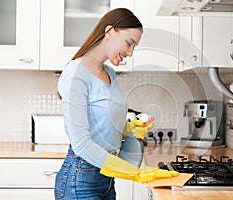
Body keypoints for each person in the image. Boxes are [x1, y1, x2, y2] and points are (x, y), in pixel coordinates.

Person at [54, 8, 178, 200]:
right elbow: (81, 143)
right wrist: (133, 173)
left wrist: (130, 130)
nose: (130, 53)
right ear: (110, 31)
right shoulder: (75, 74)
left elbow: (105, 127)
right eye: (129, 43)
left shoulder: (109, 73)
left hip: (106, 180)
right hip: (80, 180)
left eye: (134, 47)